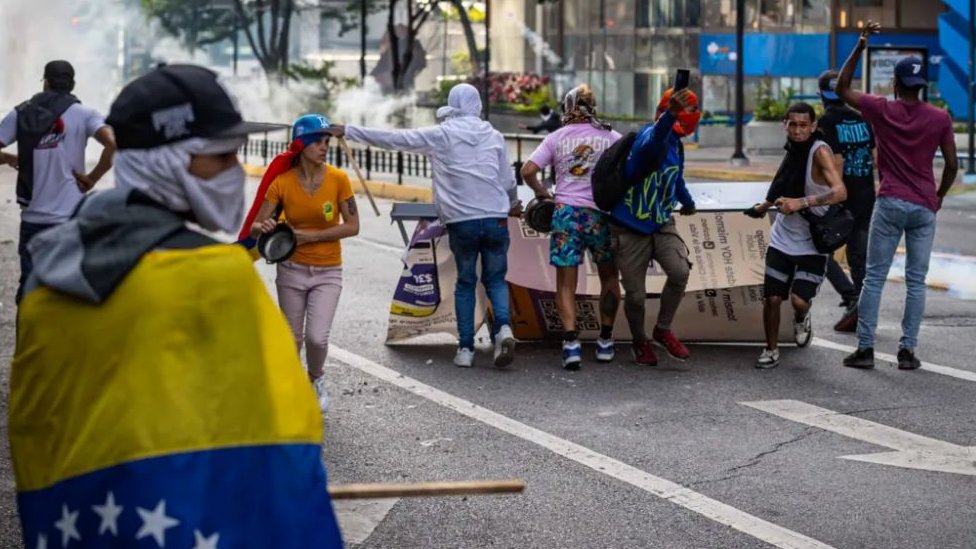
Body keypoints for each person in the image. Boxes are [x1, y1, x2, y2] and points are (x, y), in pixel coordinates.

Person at [10, 64, 343, 547]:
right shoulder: (216, 280)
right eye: (220, 156)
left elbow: (34, 429)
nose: (234, 171)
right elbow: (283, 438)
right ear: (168, 161)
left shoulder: (48, 270)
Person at [328, 83, 518, 368]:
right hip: (496, 219)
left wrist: (349, 130)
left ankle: (466, 349)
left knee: (466, 282)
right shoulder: (494, 136)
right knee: (496, 279)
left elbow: (396, 139)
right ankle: (503, 328)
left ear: (453, 105)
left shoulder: (441, 135)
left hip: (463, 222)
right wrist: (512, 203)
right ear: (477, 105)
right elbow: (507, 181)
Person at [834, 22, 958, 370]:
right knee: (916, 281)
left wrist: (861, 45)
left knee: (875, 277)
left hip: (890, 201)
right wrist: (939, 195)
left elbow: (841, 87)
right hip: (923, 206)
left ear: (895, 83)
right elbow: (952, 164)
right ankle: (907, 351)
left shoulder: (881, 109)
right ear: (922, 85)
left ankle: (865, 349)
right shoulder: (940, 118)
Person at [248, 114, 359, 409]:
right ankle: (291, 387)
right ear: (301, 144)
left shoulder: (338, 179)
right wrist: (265, 227)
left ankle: (316, 377)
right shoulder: (281, 183)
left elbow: (353, 226)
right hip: (291, 270)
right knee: (292, 338)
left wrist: (311, 236)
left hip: (328, 271)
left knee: (317, 338)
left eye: (326, 142)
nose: (324, 147)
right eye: (318, 142)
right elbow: (257, 225)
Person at [520, 85, 622, 369]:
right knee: (609, 276)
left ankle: (571, 344)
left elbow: (527, 171)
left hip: (566, 214)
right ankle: (605, 340)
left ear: (568, 107)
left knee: (566, 282)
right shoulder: (610, 136)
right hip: (600, 215)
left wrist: (542, 193)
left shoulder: (556, 137)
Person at [0, 60, 115, 303]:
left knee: (30, 294)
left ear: (45, 82)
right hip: (71, 219)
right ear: (72, 84)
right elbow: (113, 144)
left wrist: (9, 157)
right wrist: (92, 178)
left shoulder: (20, 113)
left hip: (33, 220)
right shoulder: (85, 114)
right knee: (70, 294)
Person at [745, 103, 847, 369]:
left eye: (803, 125)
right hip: (783, 238)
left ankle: (802, 317)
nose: (798, 130)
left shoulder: (819, 152)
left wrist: (800, 203)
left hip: (813, 242)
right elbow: (782, 183)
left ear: (813, 127)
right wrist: (763, 207)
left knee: (799, 301)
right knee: (772, 298)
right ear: (785, 125)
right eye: (793, 125)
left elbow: (840, 192)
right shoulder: (792, 150)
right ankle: (771, 349)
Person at [609, 87, 699, 367]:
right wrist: (670, 115)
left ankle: (662, 329)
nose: (686, 116)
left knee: (680, 271)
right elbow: (655, 141)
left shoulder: (677, 145)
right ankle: (640, 341)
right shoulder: (649, 136)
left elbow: (676, 179)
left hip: (661, 222)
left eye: (689, 111)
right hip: (629, 225)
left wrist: (687, 202)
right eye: (680, 110)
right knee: (635, 296)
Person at [816, 69, 877, 332]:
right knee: (858, 255)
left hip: (843, 197)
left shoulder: (826, 121)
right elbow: (875, 158)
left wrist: (832, 198)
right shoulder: (862, 118)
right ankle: (863, 306)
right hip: (866, 194)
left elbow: (837, 162)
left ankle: (851, 296)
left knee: (819, 249)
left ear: (821, 95)